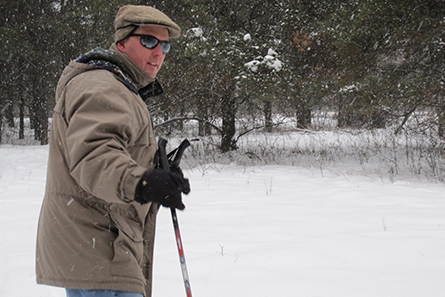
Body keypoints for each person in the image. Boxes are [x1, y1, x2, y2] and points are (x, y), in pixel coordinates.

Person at [36, 5, 190, 297]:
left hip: (100, 247)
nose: (159, 52)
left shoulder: (118, 86)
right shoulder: (103, 86)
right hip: (99, 246)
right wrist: (142, 183)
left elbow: (110, 149)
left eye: (165, 45)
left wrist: (154, 170)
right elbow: (95, 156)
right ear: (122, 42)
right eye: (148, 41)